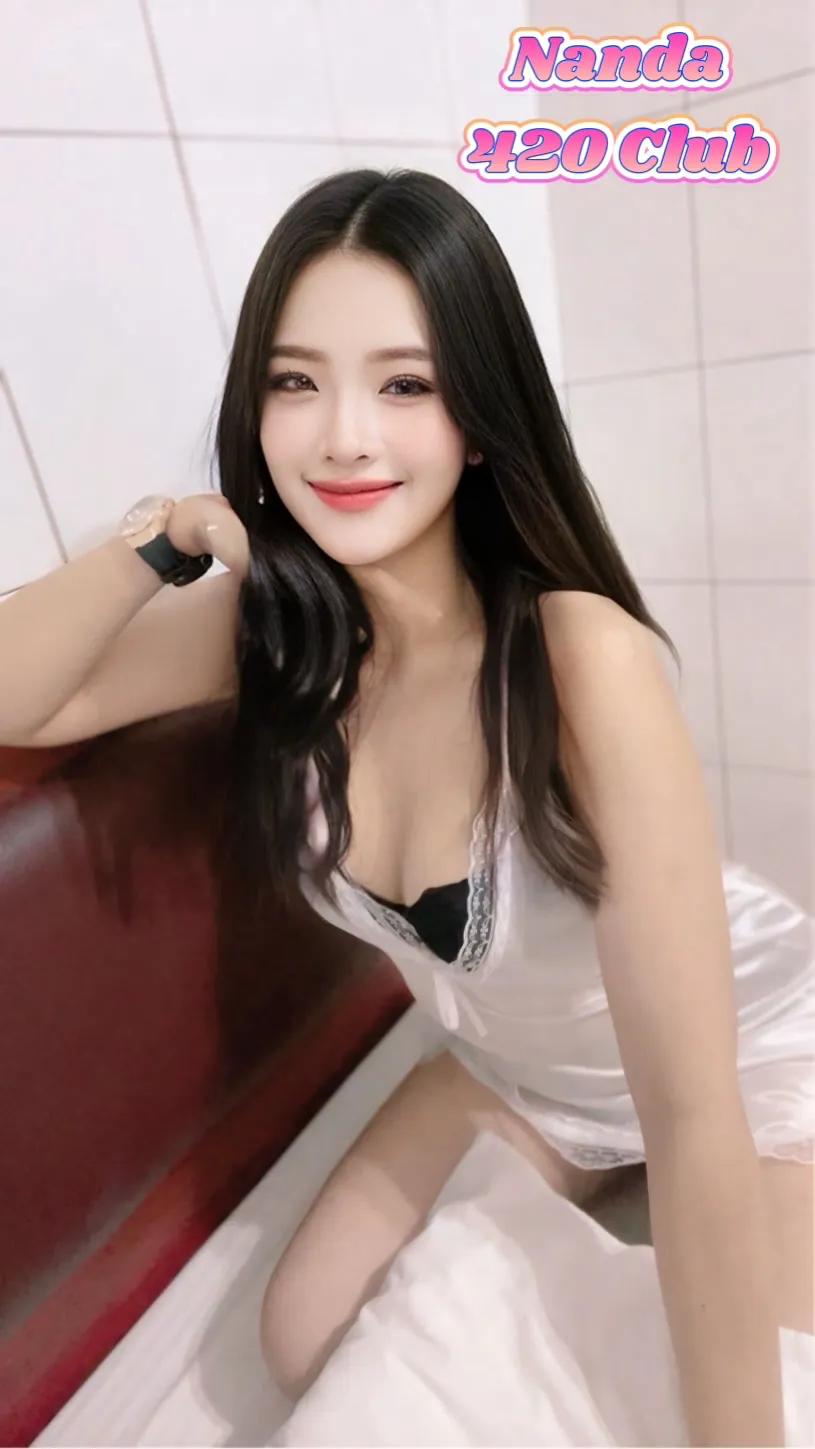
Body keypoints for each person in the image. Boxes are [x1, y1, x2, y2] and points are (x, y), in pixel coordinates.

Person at [0, 168, 811, 1446]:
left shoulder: (578, 658)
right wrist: (157, 543)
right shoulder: (276, 640)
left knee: (755, 1384)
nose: (342, 438)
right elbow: (22, 702)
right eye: (294, 381)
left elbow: (691, 1110)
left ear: (477, 417)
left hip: (743, 1068)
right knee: (301, 1333)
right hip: (516, 1072)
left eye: (403, 385)